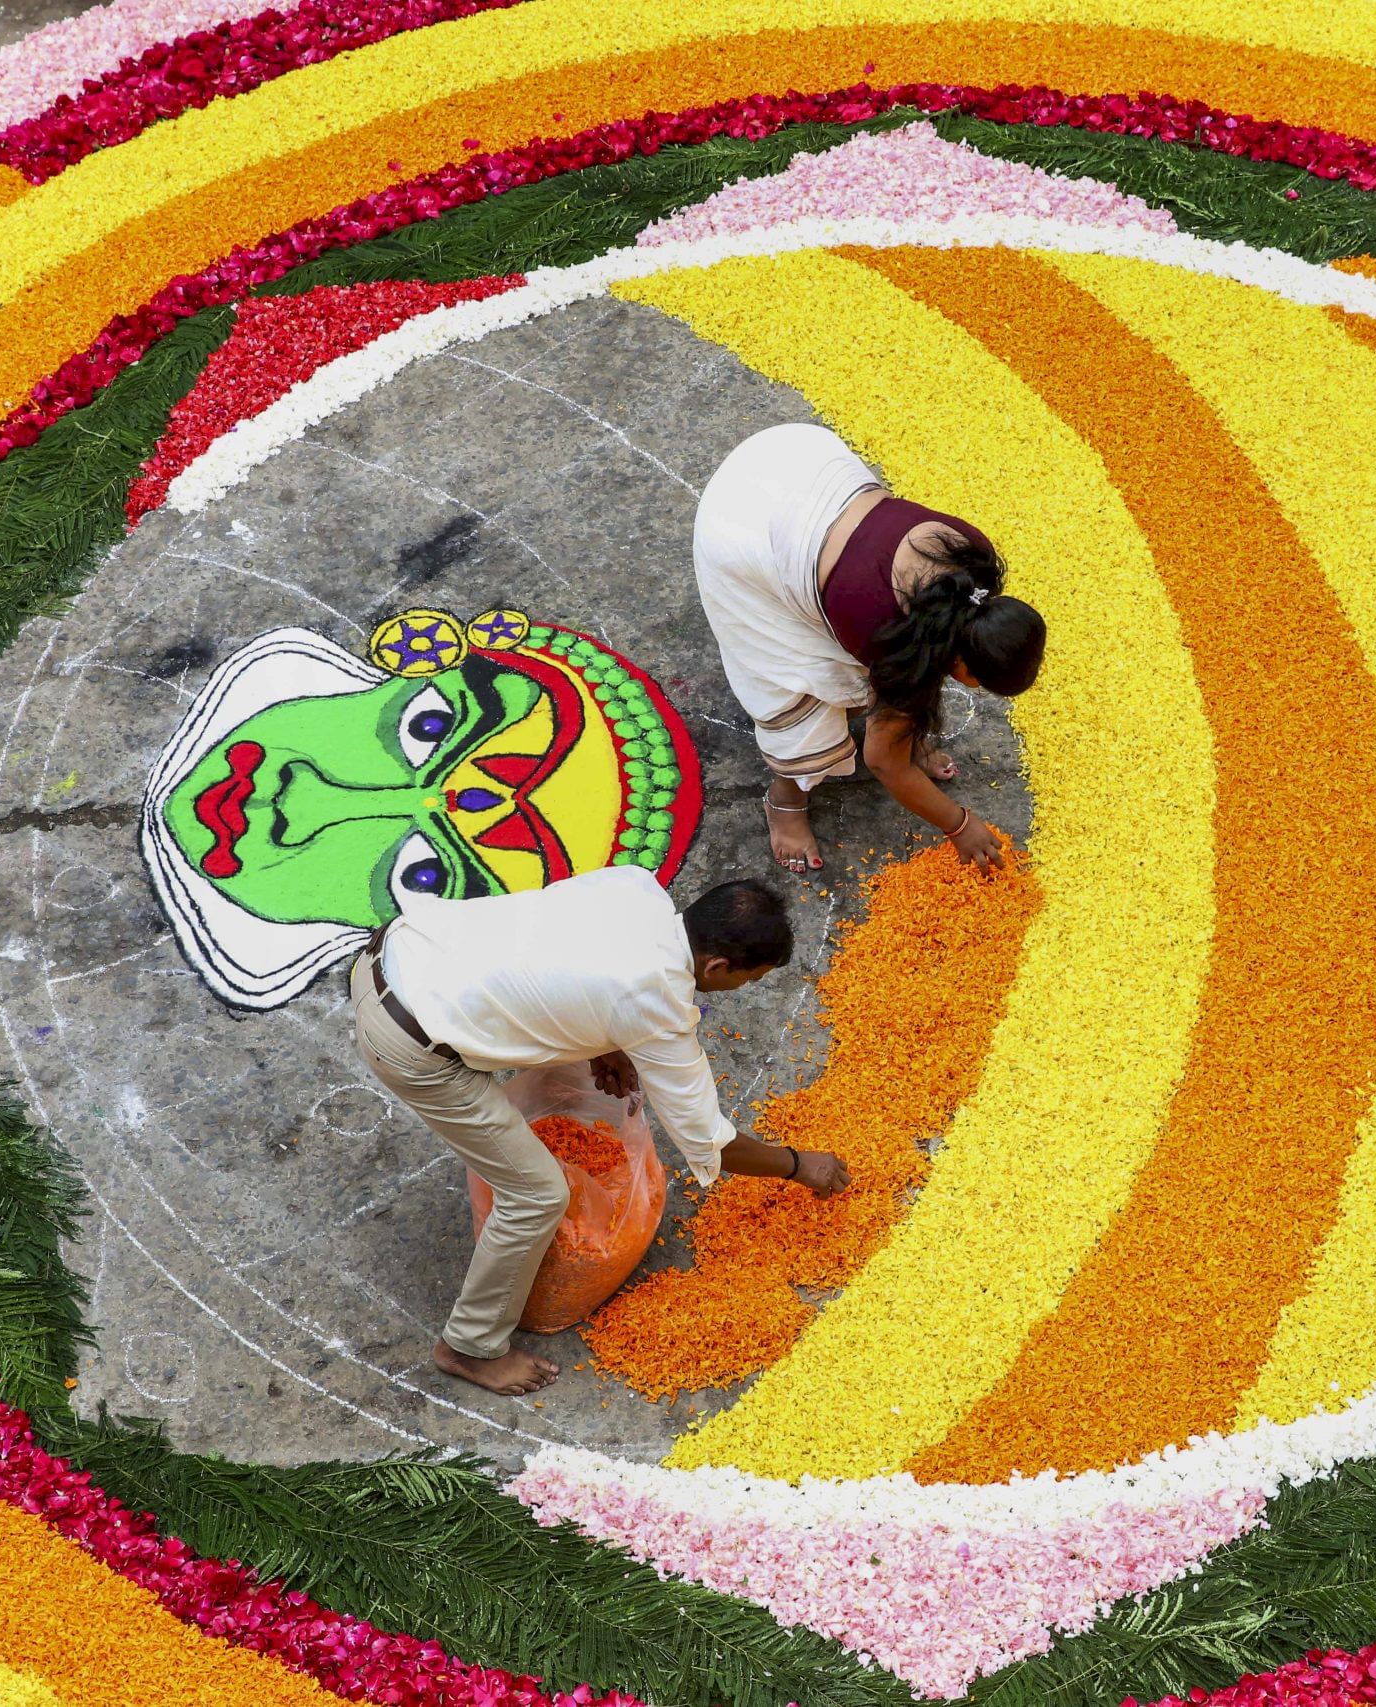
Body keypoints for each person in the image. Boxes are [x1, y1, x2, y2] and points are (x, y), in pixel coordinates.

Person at [352, 868, 850, 1396]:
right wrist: (799, 1165)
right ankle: (469, 1347)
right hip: (410, 1046)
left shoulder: (634, 888)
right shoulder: (659, 1007)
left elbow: (559, 953)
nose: (739, 990)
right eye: (746, 980)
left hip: (394, 953)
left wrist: (604, 1045)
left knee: (555, 1068)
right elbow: (712, 1144)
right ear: (718, 966)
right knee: (539, 1196)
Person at [693, 422, 1046, 875]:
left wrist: (907, 719)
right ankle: (786, 797)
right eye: (976, 681)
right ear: (961, 661)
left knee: (886, 682)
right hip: (742, 530)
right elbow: (883, 762)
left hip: (793, 457)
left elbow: (922, 655)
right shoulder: (891, 630)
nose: (972, 689)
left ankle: (905, 733)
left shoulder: (974, 561)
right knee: (805, 682)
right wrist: (960, 825)